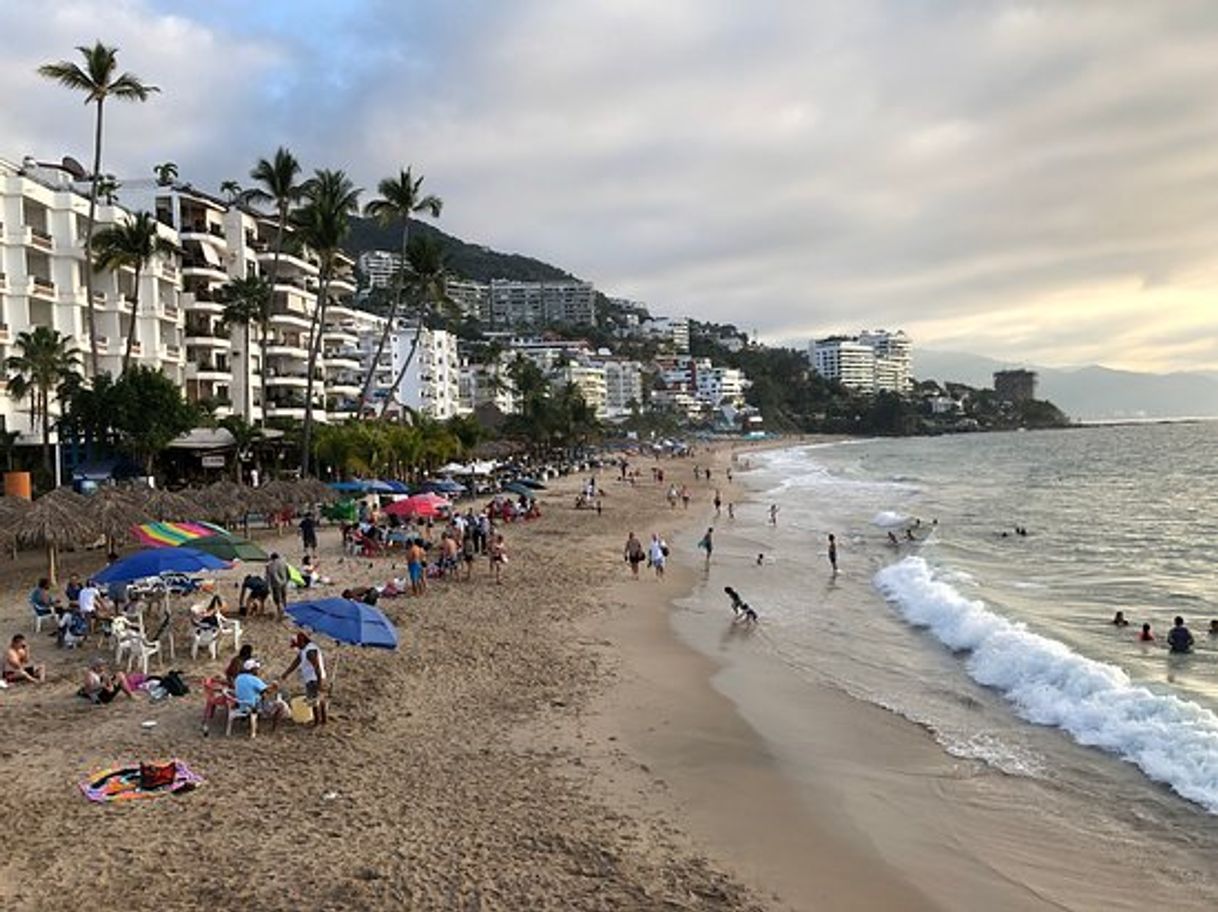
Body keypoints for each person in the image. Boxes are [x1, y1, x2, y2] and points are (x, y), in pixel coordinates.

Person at [283, 632, 326, 726]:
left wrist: (319, 683)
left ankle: (317, 722)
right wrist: (286, 673)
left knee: (314, 701)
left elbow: (317, 667)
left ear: (302, 642)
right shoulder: (304, 649)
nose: (297, 647)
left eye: (297, 645)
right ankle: (323, 721)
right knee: (320, 699)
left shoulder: (310, 651)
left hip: (314, 679)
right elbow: (296, 662)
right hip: (314, 678)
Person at [232, 658, 284, 732]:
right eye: (256, 669)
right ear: (252, 669)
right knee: (280, 706)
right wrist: (274, 686)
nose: (257, 671)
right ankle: (274, 729)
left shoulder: (238, 678)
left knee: (258, 697)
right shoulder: (254, 679)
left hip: (241, 705)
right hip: (253, 706)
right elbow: (268, 691)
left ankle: (252, 725)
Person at [265, 552, 290, 617]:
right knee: (284, 596)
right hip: (284, 582)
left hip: (276, 584)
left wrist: (268, 584)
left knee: (277, 598)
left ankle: (280, 612)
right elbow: (288, 572)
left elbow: (272, 574)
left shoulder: (270, 565)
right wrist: (286, 580)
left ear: (272, 558)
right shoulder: (284, 563)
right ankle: (285, 610)